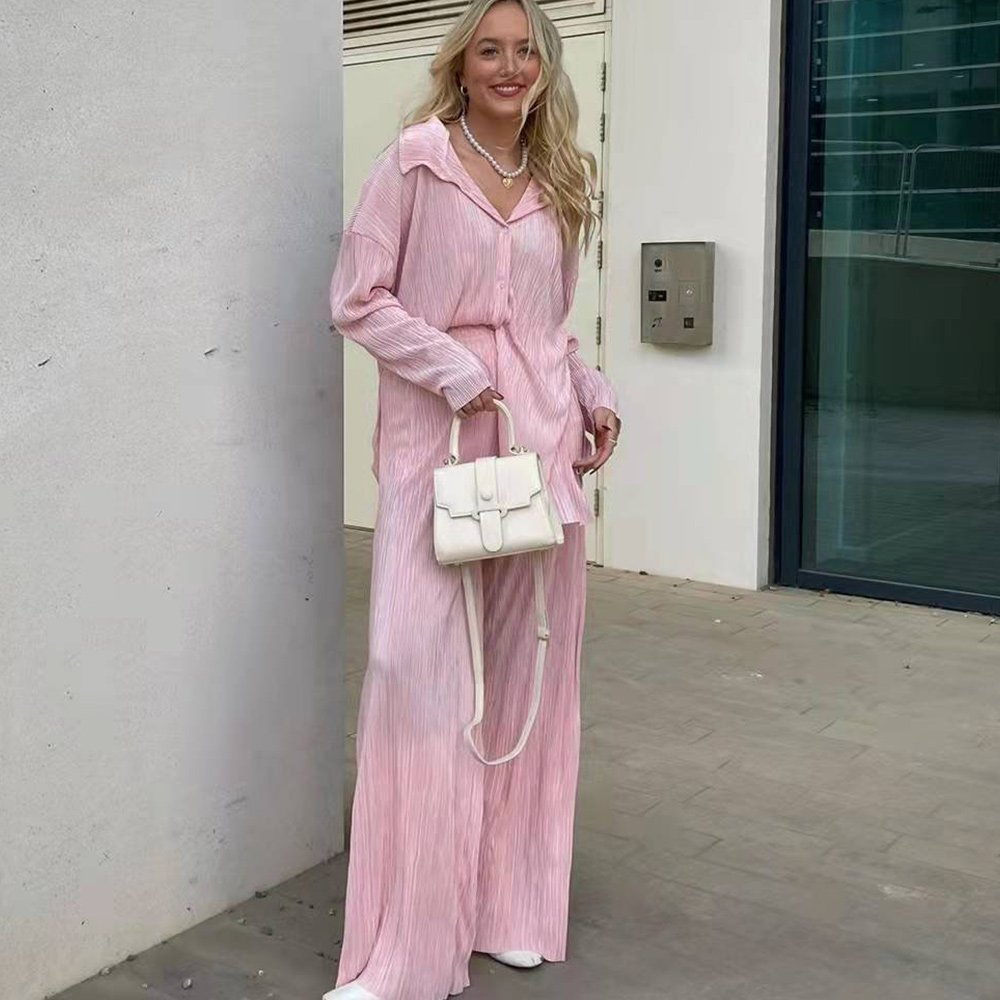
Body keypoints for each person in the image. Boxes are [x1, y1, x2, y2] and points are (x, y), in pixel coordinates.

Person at [324, 2, 621, 998]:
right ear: (461, 63)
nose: (509, 65)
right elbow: (357, 297)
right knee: (413, 675)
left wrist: (594, 395)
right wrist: (453, 367)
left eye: (525, 49)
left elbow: (550, 330)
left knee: (531, 678)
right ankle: (405, 948)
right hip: (438, 452)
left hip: (538, 456)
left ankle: (510, 904)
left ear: (544, 65)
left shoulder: (558, 177)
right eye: (490, 49)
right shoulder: (415, 163)